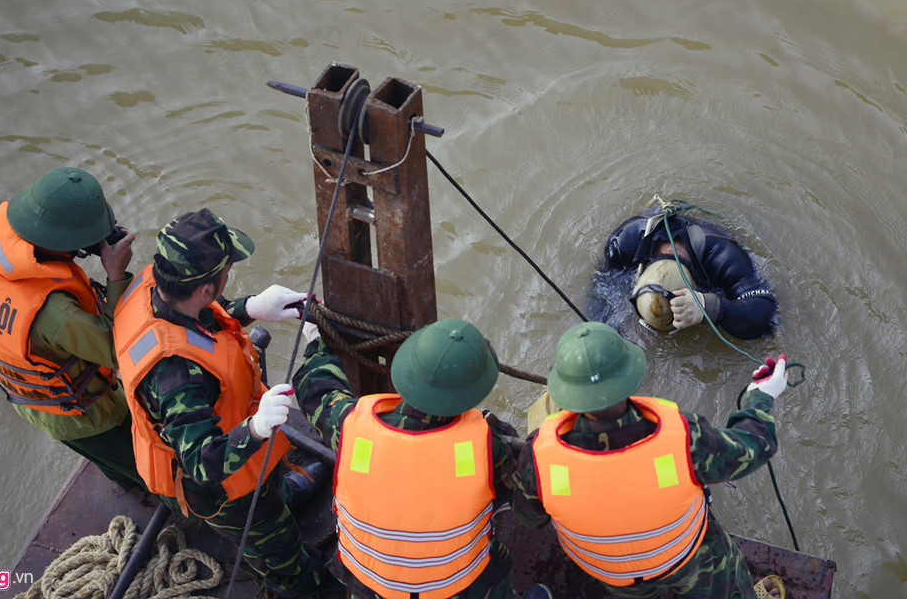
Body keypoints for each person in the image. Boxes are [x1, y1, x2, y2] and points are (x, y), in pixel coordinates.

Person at [111, 208, 337, 598]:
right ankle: (299, 583)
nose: (229, 274)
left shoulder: (154, 286)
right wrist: (256, 428)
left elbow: (200, 322)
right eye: (227, 270)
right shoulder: (175, 378)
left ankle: (281, 495)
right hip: (224, 489)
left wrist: (248, 308)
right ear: (205, 289)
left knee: (271, 490)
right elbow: (203, 464)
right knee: (277, 548)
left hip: (239, 446)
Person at [512, 321, 789, 598]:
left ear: (566, 392)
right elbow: (754, 446)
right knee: (721, 582)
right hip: (688, 560)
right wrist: (760, 397)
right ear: (629, 374)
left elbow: (530, 518)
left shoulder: (538, 455)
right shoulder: (683, 437)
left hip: (617, 577)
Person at [0, 167, 145, 491]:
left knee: (113, 464)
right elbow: (119, 349)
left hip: (31, 398)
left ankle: (124, 482)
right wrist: (116, 275)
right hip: (84, 414)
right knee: (144, 465)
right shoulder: (56, 313)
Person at [292, 318, 519, 599]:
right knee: (497, 565)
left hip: (369, 584)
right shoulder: (487, 446)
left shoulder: (350, 427)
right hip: (455, 587)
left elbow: (317, 390)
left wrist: (316, 341)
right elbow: (508, 492)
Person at [600, 205, 777, 339]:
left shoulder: (723, 256)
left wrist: (710, 307)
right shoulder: (624, 244)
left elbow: (767, 315)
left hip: (703, 229)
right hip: (654, 214)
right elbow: (600, 291)